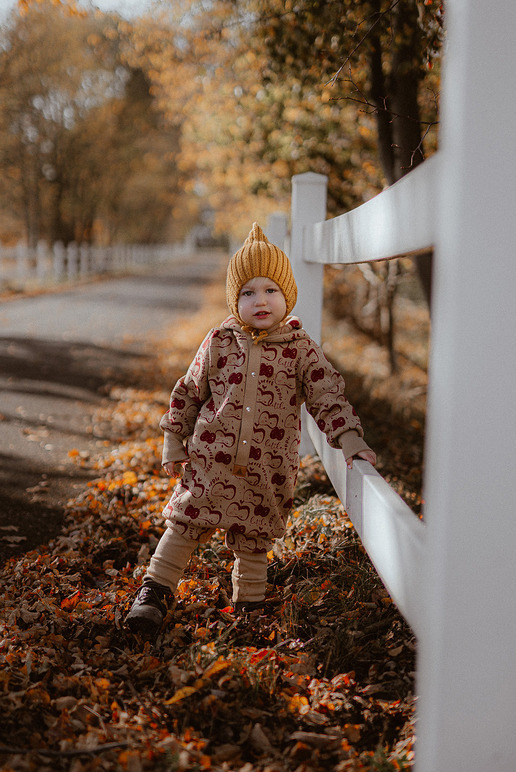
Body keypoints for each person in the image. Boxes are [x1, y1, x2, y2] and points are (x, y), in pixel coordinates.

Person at [125, 222, 376, 635]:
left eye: (270, 290)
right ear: (234, 300)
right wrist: (174, 438)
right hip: (210, 458)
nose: (260, 300)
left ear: (287, 295)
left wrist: (349, 438)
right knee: (185, 522)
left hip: (268, 466)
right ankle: (154, 592)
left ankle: (249, 610)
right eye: (248, 292)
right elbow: (189, 390)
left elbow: (326, 395)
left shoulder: (301, 349)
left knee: (255, 538)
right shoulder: (219, 340)